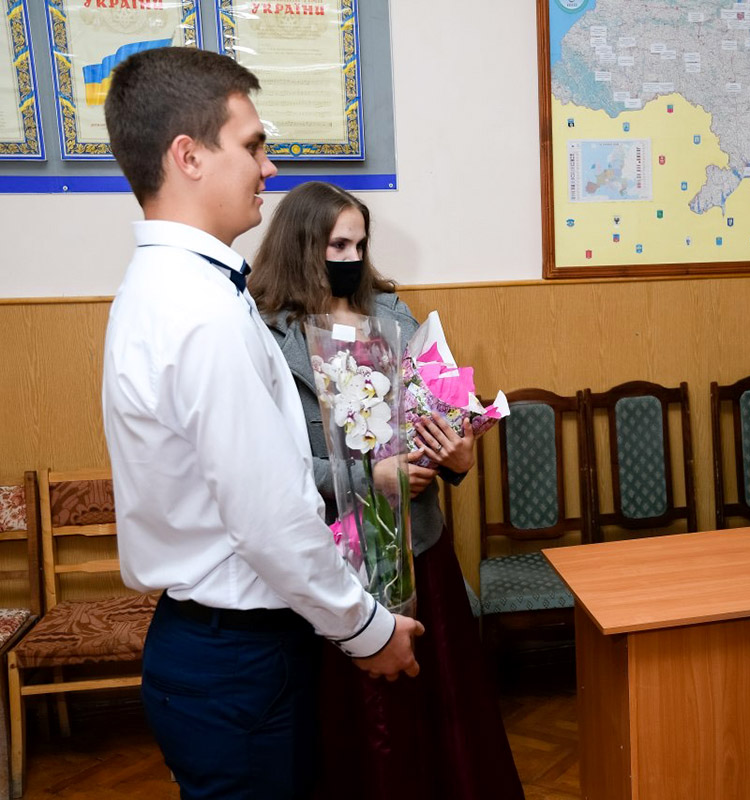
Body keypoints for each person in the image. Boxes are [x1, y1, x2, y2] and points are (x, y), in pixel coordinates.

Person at [101, 48, 423, 800]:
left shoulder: (176, 286)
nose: (268, 168)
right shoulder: (198, 310)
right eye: (252, 146)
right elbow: (268, 514)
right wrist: (366, 629)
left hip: (218, 643)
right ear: (188, 156)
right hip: (235, 655)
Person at [249, 181, 524, 799]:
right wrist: (364, 478)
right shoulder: (267, 335)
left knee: (442, 716)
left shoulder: (394, 315)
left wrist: (458, 455)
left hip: (419, 548)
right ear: (301, 247)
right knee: (356, 727)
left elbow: (439, 413)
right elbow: (271, 465)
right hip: (331, 560)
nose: (351, 258)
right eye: (337, 246)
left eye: (359, 244)